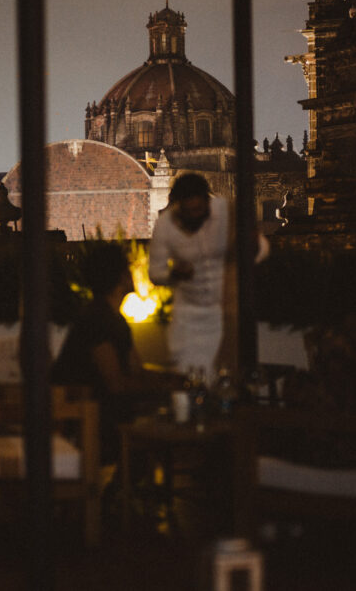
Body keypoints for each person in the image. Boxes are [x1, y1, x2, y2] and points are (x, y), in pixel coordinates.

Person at [52, 243, 180, 465]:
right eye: (129, 269)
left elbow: (136, 369)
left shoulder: (114, 319)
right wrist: (164, 386)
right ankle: (124, 489)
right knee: (160, 416)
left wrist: (172, 379)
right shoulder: (97, 319)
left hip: (104, 406)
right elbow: (116, 383)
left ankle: (125, 488)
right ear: (121, 277)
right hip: (87, 412)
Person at [148, 173, 268, 382]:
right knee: (188, 375)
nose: (195, 216)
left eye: (199, 210)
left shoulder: (226, 212)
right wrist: (174, 274)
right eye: (189, 212)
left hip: (227, 309)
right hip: (189, 314)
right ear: (178, 208)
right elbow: (155, 273)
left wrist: (250, 246)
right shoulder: (165, 226)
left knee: (229, 373)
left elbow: (261, 250)